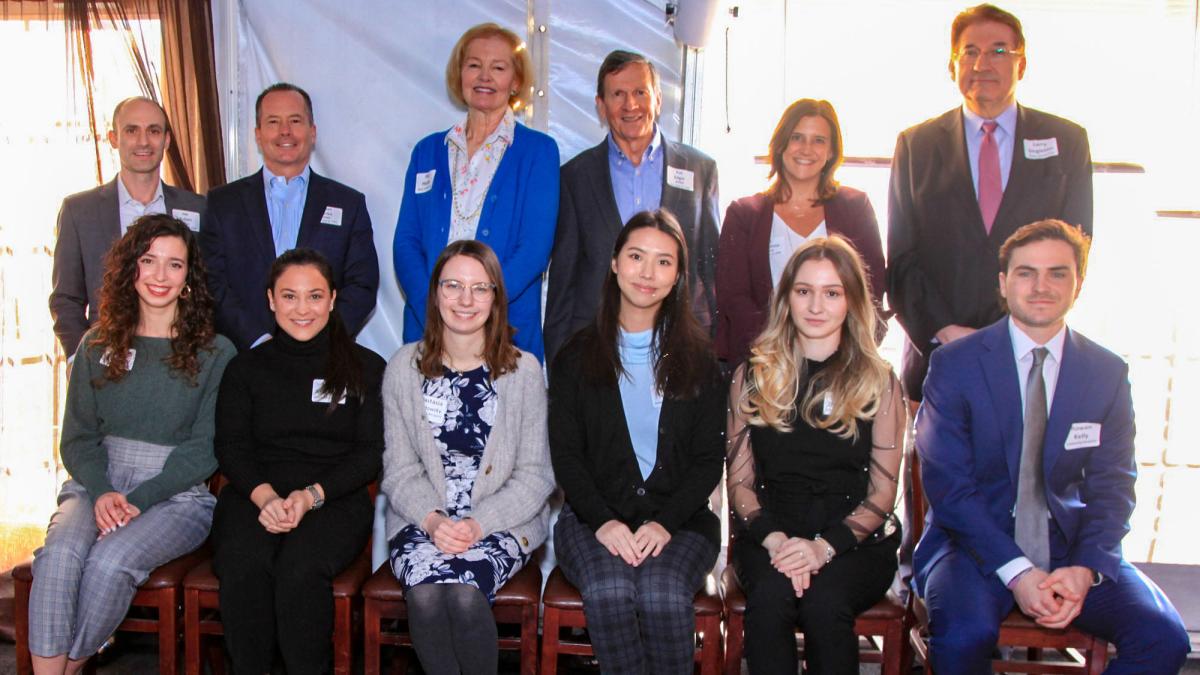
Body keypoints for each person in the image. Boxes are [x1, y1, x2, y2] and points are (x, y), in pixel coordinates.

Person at [914, 220, 1189, 673]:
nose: (1041, 286)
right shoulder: (955, 365)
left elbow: (1113, 485)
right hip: (973, 547)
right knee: (964, 637)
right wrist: (1018, 572)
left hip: (1071, 549)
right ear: (1003, 284)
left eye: (1058, 273)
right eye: (1026, 273)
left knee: (1163, 638)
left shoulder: (1106, 372)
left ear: (1078, 284)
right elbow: (949, 488)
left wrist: (1085, 567)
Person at [29, 214, 234, 675]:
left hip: (176, 496)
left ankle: (69, 667)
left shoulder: (216, 352)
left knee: (108, 561)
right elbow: (78, 437)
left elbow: (205, 449)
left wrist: (135, 501)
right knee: (59, 556)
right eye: (148, 261)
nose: (160, 276)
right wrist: (103, 491)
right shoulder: (94, 343)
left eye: (174, 265)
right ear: (131, 268)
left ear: (189, 277)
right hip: (94, 484)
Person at [887, 3, 1092, 402]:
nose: (984, 63)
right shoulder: (916, 145)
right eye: (970, 51)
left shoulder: (1066, 142)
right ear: (952, 66)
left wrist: (1016, 332)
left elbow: (1076, 248)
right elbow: (901, 259)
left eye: (999, 51)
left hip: (1029, 350)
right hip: (936, 354)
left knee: (1024, 464)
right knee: (934, 465)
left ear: (1022, 64)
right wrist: (944, 330)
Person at [549, 209, 724, 675]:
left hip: (680, 520)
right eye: (636, 256)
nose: (648, 273)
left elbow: (709, 460)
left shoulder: (702, 361)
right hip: (591, 519)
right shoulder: (575, 356)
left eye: (664, 262)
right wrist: (604, 520)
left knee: (661, 593)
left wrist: (664, 523)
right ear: (614, 263)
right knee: (610, 590)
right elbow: (566, 456)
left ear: (679, 275)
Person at [727, 236, 904, 674]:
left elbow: (883, 493)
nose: (815, 306)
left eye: (832, 293)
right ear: (786, 297)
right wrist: (775, 539)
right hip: (770, 533)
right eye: (804, 291)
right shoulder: (752, 375)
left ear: (852, 301)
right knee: (769, 602)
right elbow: (739, 484)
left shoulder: (879, 381)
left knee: (825, 606)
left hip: (854, 541)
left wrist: (824, 548)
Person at [381, 239, 554, 675]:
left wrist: (477, 525)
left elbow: (535, 477)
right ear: (435, 292)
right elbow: (399, 470)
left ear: (496, 297)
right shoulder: (403, 367)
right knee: (425, 595)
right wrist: (436, 521)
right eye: (453, 285)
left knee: (461, 593)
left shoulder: (525, 371)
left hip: (501, 522)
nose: (465, 299)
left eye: (480, 288)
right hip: (422, 520)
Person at [211, 248, 385, 675]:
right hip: (255, 492)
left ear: (332, 299)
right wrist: (266, 496)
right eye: (289, 296)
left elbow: (370, 453)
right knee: (245, 566)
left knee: (299, 570)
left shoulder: (367, 367)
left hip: (335, 497)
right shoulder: (244, 368)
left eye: (314, 296)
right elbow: (231, 446)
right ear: (270, 300)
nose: (302, 308)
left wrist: (310, 497)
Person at [393, 23, 559, 361]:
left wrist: (478, 306)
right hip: (428, 330)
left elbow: (534, 248)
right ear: (459, 73)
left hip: (506, 333)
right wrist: (435, 306)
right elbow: (406, 241)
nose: (485, 77)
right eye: (474, 65)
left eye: (498, 68)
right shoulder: (427, 151)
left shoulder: (538, 151)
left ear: (515, 80)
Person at [544, 50, 720, 365]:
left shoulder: (699, 169)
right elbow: (564, 280)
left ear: (658, 99)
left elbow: (711, 269)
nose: (631, 105)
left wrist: (717, 352)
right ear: (601, 105)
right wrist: (559, 366)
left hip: (680, 344)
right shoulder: (575, 177)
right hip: (596, 345)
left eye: (640, 92)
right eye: (618, 94)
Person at [202, 82, 379, 351]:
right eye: (273, 121)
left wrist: (321, 339)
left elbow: (362, 284)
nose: (285, 131)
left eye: (295, 120)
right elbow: (211, 282)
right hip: (244, 357)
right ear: (258, 135)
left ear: (312, 132)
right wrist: (257, 341)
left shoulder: (348, 204)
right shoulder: (223, 203)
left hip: (326, 358)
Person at [717, 99, 886, 367]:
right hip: (764, 362)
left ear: (831, 151)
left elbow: (870, 290)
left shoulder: (856, 207)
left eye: (819, 140)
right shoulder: (744, 214)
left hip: (839, 363)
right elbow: (734, 298)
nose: (806, 149)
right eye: (797, 137)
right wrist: (781, 347)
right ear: (781, 143)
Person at [50, 96, 206, 358]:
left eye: (153, 131)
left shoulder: (199, 209)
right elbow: (66, 299)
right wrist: (81, 359)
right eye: (131, 130)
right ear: (113, 138)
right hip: (105, 360)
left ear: (166, 140)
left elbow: (207, 288)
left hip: (179, 359)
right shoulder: (79, 211)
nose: (143, 141)